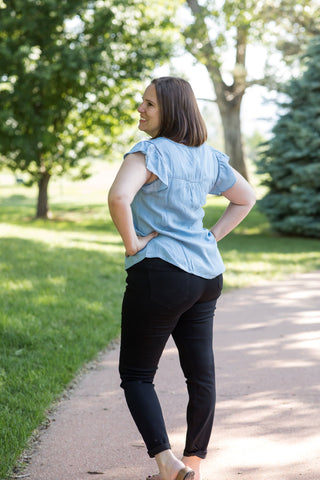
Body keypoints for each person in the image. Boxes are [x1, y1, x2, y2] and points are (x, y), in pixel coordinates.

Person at [108, 76, 256, 480]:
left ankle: (167, 464)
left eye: (149, 104)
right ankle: (193, 464)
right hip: (207, 276)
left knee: (137, 375)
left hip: (161, 274)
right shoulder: (208, 157)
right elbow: (245, 198)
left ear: (170, 111)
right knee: (200, 375)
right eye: (142, 102)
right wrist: (210, 237)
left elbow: (119, 196)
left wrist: (134, 243)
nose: (140, 108)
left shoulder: (149, 154)